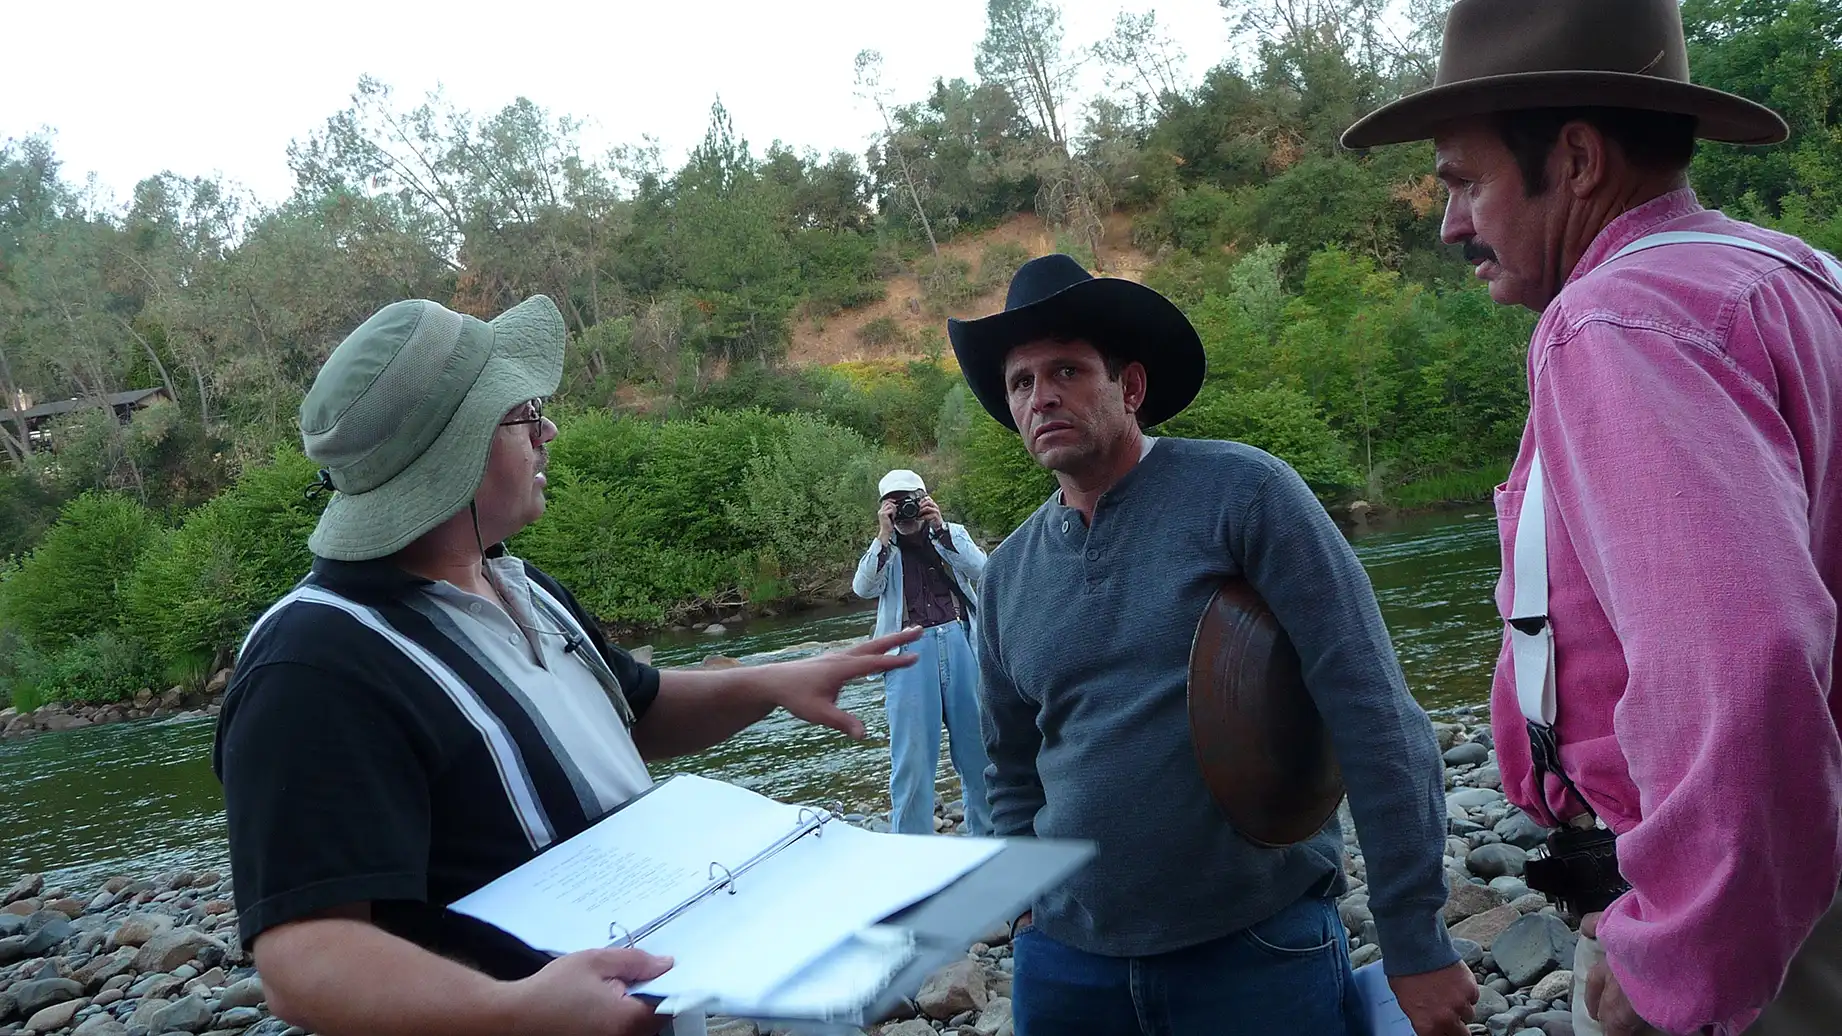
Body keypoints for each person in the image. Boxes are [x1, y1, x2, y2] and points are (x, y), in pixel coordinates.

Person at [212, 295, 922, 1036]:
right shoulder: (312, 667)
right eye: (524, 412)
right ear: (456, 450)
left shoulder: (521, 585)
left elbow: (634, 712)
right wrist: (511, 1011)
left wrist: (771, 682)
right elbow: (304, 958)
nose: (548, 430)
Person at [1341, 1, 1842, 1033]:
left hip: (1765, 926)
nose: (1451, 225)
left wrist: (1678, 949)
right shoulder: (1796, 275)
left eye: (1466, 182)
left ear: (1573, 159)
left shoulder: (1615, 318)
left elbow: (1746, 664)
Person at [946, 253, 1477, 1036]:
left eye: (1066, 370)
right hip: (1068, 968)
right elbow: (1012, 768)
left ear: (1130, 388)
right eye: (1021, 382)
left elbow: (1372, 712)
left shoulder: (1245, 495)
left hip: (1255, 950)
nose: (1040, 395)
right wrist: (1025, 915)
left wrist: (1414, 938)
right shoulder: (1008, 575)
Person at [851, 469, 992, 837]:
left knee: (978, 752)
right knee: (912, 760)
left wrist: (941, 529)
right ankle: (912, 853)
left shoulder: (950, 533)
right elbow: (863, 588)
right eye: (896, 505)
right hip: (907, 653)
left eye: (911, 500)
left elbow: (983, 570)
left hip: (960, 641)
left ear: (925, 498)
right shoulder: (884, 549)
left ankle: (988, 839)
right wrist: (883, 536)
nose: (906, 511)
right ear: (885, 509)